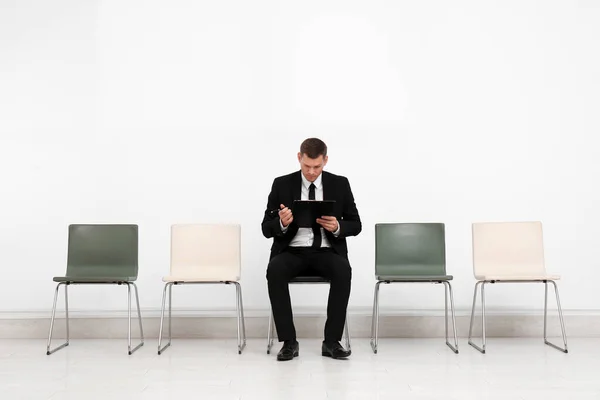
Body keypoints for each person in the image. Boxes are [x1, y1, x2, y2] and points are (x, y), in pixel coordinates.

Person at [262, 138, 362, 361]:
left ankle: (331, 342)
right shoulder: (281, 184)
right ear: (299, 158)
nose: (311, 172)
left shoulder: (340, 184)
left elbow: (356, 224)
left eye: (317, 167)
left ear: (325, 160)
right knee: (275, 270)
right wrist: (281, 223)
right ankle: (288, 342)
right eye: (307, 166)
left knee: (343, 270)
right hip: (291, 251)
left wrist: (337, 227)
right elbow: (266, 228)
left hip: (326, 252)